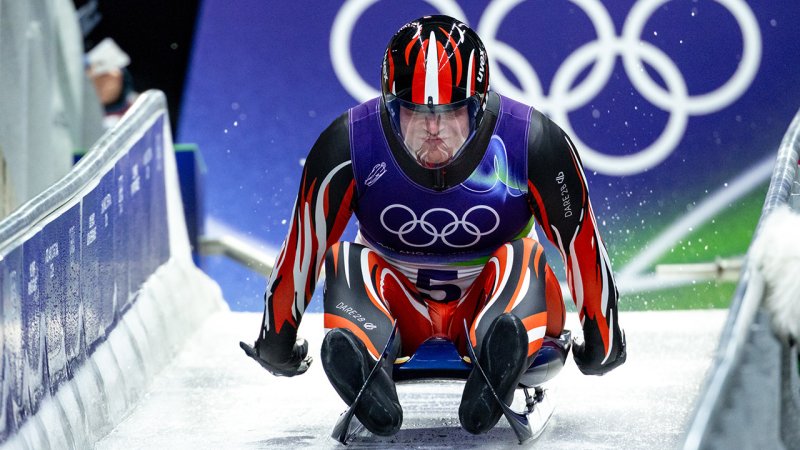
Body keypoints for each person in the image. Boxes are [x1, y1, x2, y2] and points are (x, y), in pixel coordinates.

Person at [241, 15, 626, 437]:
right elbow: (305, 247)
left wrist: (602, 336)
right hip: (397, 311)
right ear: (390, 107)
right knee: (344, 260)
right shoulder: (347, 145)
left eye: (451, 111)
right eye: (415, 111)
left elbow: (581, 242)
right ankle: (366, 364)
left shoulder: (532, 142)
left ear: (478, 107)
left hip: (498, 302)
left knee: (525, 255)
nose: (433, 129)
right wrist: (276, 339)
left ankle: (497, 354)